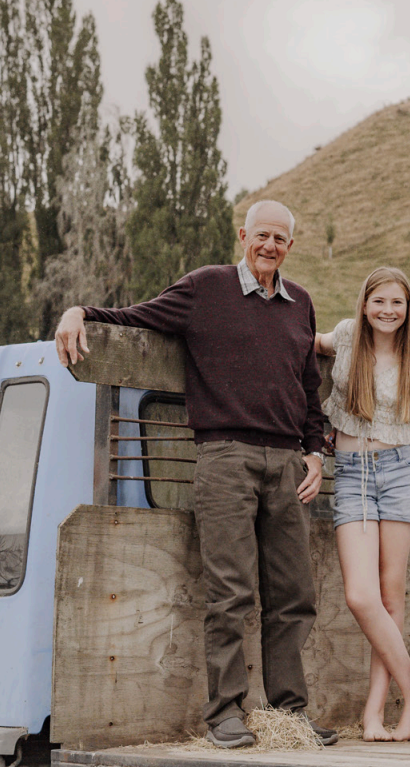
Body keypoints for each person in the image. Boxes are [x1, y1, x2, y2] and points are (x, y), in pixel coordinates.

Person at [54, 200, 338, 748]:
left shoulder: (300, 303)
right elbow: (134, 316)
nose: (270, 246)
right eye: (262, 236)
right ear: (243, 236)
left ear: (290, 247)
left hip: (287, 464)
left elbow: (309, 389)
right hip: (224, 457)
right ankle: (226, 715)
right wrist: (78, 313)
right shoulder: (204, 288)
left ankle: (288, 714)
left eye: (280, 239)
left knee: (293, 595)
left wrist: (316, 454)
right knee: (230, 592)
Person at [315, 267, 410, 741]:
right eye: (379, 301)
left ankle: (376, 713)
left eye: (397, 302)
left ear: (408, 306)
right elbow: (300, 341)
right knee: (361, 596)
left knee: (391, 597)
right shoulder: (347, 336)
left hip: (399, 471)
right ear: (365, 303)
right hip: (353, 474)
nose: (388, 310)